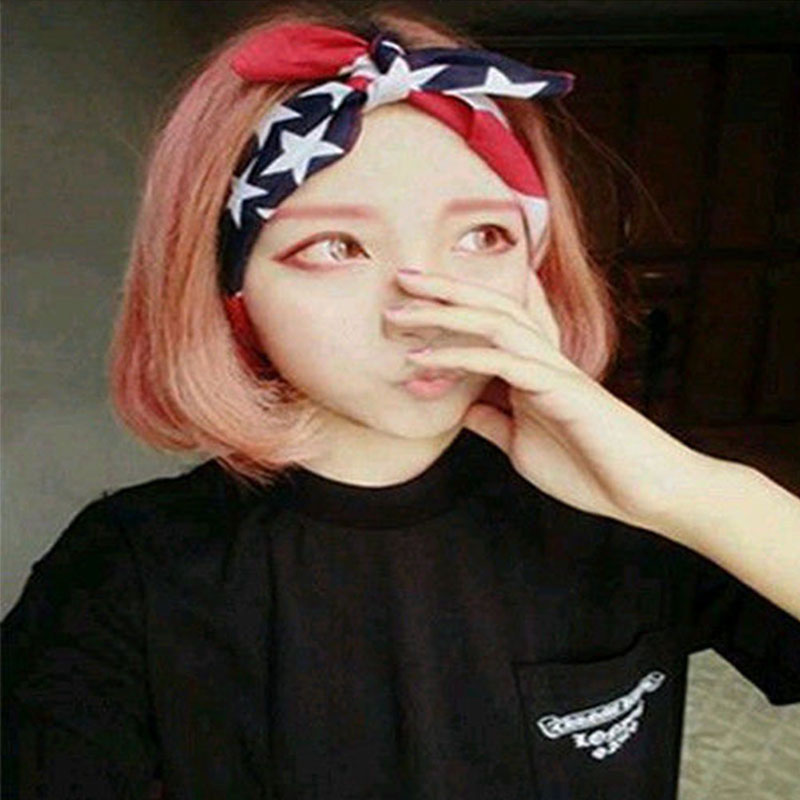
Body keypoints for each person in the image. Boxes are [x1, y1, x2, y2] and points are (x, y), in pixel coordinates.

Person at [3, 3, 799, 799]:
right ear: (231, 296)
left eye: (483, 236)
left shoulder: (633, 508)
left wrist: (690, 494)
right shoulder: (130, 572)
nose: (425, 310)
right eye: (336, 247)